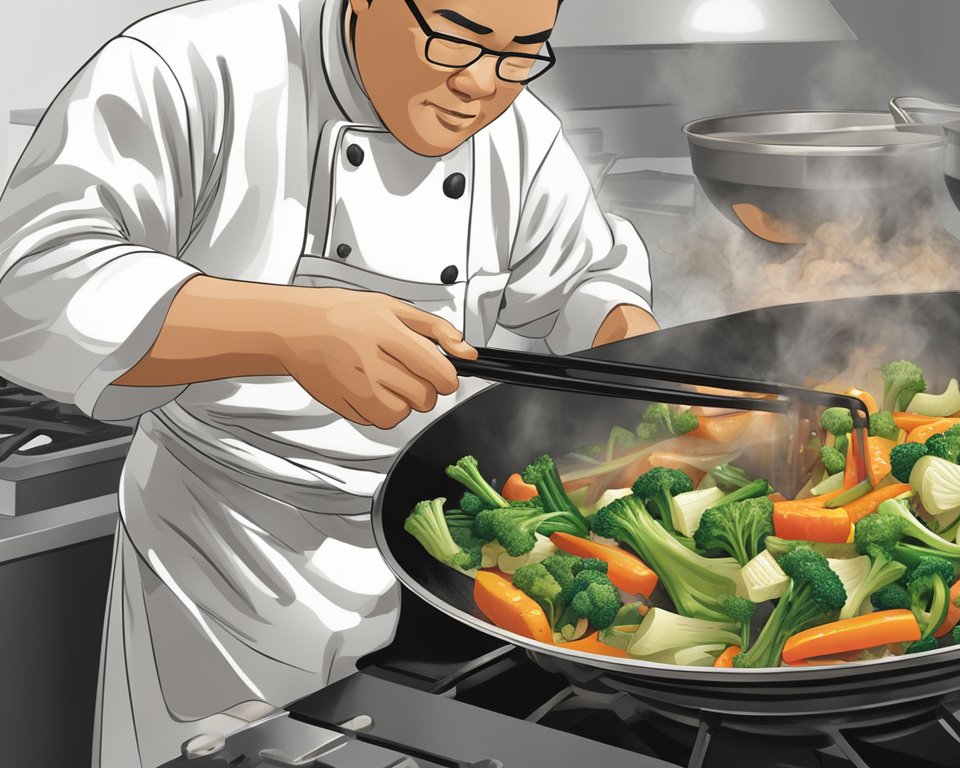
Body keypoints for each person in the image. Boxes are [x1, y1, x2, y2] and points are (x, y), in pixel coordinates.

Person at [0, 0, 658, 765]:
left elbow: (584, 276)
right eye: (455, 38)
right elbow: (30, 285)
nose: (483, 84)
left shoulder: (516, 132)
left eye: (521, 53)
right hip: (226, 565)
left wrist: (629, 349)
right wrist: (290, 328)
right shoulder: (194, 66)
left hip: (436, 573)